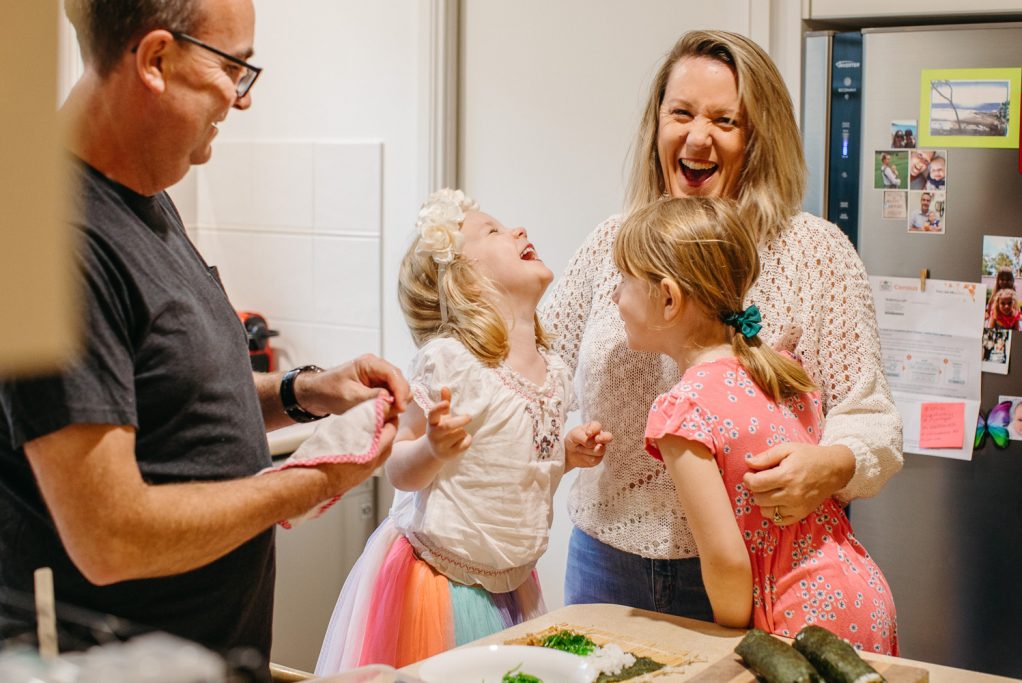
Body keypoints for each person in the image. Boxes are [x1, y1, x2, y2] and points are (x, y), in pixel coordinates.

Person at [0, 2, 409, 680]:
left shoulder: (145, 192)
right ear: (156, 60)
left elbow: (174, 395)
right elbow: (110, 535)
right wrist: (309, 483)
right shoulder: (45, 235)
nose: (241, 99)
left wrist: (304, 392)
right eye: (232, 68)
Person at [542, 29, 902, 620]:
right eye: (680, 113)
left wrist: (831, 464)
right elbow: (540, 370)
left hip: (757, 572)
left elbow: (873, 421)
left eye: (724, 121)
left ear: (759, 139)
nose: (697, 136)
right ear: (656, 126)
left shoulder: (815, 254)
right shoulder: (613, 243)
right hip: (605, 562)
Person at [315, 189, 612, 674]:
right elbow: (398, 468)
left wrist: (565, 453)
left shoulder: (554, 372)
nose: (517, 230)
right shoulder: (453, 361)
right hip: (442, 583)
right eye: (493, 231)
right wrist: (431, 448)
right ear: (466, 283)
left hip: (511, 581)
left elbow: (519, 462)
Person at [615, 196, 898, 652]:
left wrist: (732, 641)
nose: (615, 295)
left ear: (668, 299)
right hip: (861, 592)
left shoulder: (682, 411)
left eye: (624, 279)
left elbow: (727, 561)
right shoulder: (780, 369)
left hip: (798, 621)